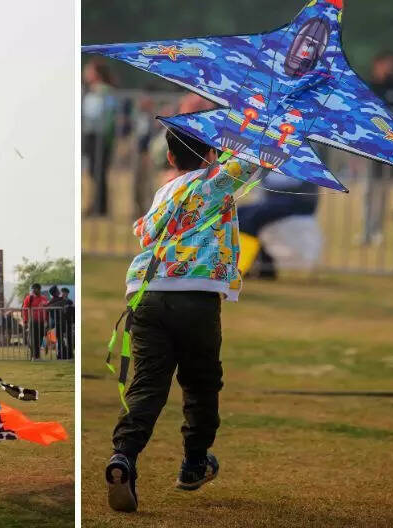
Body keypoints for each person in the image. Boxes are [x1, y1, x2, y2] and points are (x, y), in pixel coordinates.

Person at [106, 127, 258, 513]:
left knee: (148, 384)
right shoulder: (216, 182)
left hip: (147, 294)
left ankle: (123, 456)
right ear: (211, 152)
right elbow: (256, 161)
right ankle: (194, 463)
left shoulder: (165, 191)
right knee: (201, 382)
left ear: (171, 158)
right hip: (195, 296)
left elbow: (144, 231)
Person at [363, 52, 393, 244]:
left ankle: (377, 229)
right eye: (385, 64)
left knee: (383, 189)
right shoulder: (367, 85)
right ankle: (366, 229)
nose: (388, 68)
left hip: (389, 145)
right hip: (370, 142)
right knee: (369, 189)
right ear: (377, 65)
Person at [82, 60, 119, 216]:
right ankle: (96, 204)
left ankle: (100, 207)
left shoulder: (104, 91)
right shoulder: (91, 90)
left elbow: (107, 113)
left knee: (98, 171)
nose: (85, 74)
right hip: (93, 134)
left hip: (101, 135)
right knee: (94, 172)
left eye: (88, 71)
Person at [23, 283, 49, 359]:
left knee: (40, 339)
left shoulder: (44, 298)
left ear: (39, 289)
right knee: (33, 339)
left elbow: (46, 310)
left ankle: (36, 356)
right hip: (33, 321)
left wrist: (46, 320)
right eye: (33, 288)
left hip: (42, 322)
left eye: (36, 288)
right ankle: (35, 356)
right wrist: (25, 320)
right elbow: (25, 310)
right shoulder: (29, 298)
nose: (34, 290)